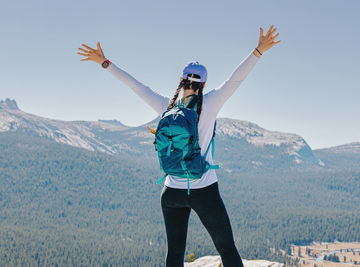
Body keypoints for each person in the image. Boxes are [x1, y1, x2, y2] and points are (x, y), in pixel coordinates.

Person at [77, 25, 280, 267]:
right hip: (204, 189)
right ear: (203, 84)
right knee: (226, 248)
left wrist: (105, 62)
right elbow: (236, 78)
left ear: (180, 81)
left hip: (171, 190)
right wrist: (259, 50)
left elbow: (136, 86)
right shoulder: (212, 103)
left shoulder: (167, 107)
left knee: (174, 253)